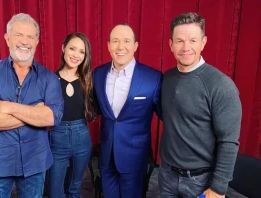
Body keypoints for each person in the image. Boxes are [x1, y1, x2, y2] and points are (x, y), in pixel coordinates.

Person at [0, 13, 64, 198]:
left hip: (35, 162)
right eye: (18, 35)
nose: (25, 41)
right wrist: (34, 114)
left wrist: (9, 107)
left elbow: (52, 117)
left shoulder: (50, 79)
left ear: (37, 41)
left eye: (30, 36)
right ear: (7, 38)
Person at [159, 12, 242, 198]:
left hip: (201, 180)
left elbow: (229, 142)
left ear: (203, 42)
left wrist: (219, 188)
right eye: (179, 41)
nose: (186, 47)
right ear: (171, 44)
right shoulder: (167, 78)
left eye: (193, 40)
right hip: (166, 174)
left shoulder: (221, 85)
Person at [93, 23, 163, 198]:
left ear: (135, 46)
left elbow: (167, 115)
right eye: (115, 41)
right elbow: (93, 107)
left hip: (135, 157)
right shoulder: (98, 74)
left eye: (126, 41)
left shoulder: (153, 78)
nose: (120, 46)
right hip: (107, 156)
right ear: (108, 45)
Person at [48, 32, 96, 198]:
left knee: (75, 188)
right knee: (55, 191)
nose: (76, 55)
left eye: (81, 52)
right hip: (57, 137)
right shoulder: (50, 80)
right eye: (72, 49)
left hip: (82, 136)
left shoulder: (88, 80)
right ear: (63, 49)